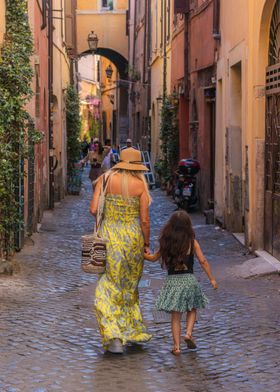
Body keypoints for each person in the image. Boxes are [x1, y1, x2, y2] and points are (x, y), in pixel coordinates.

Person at [90, 148, 152, 354]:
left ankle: (114, 335)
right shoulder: (141, 185)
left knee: (108, 284)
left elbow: (93, 209)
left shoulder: (105, 179)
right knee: (129, 287)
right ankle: (132, 331)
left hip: (110, 238)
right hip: (133, 239)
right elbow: (144, 220)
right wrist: (146, 243)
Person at [144, 210, 218, 356]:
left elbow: (153, 258)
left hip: (172, 282)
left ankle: (176, 347)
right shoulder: (192, 242)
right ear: (188, 226)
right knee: (192, 308)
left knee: (175, 317)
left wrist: (141, 255)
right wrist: (212, 279)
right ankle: (189, 333)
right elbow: (203, 261)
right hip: (189, 280)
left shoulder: (167, 242)